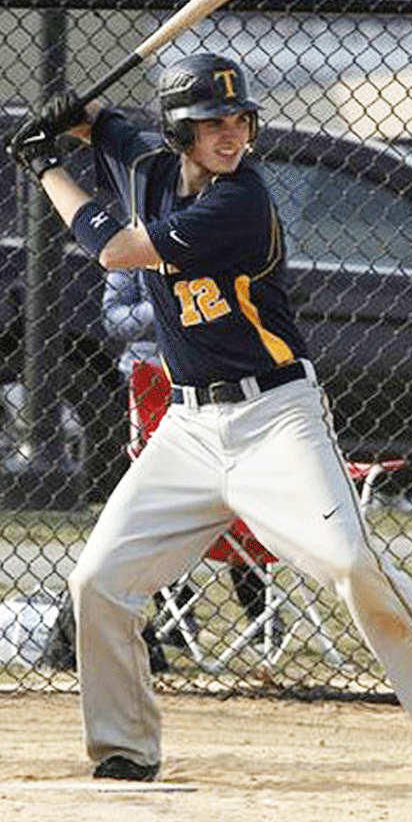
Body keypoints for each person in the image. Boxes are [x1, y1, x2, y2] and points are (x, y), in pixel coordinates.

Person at [8, 52, 412, 794]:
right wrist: (67, 116)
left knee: (348, 559)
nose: (231, 134)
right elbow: (101, 124)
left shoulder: (241, 202)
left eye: (240, 119)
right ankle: (125, 747)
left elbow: (114, 248)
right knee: (99, 581)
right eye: (213, 122)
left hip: (276, 418)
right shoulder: (147, 165)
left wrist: (47, 168)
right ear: (179, 130)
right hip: (186, 427)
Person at [102, 267, 283, 646]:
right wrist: (173, 303)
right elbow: (114, 318)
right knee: (158, 499)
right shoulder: (133, 244)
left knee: (233, 492)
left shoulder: (216, 236)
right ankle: (175, 613)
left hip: (215, 378)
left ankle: (262, 614)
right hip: (149, 381)